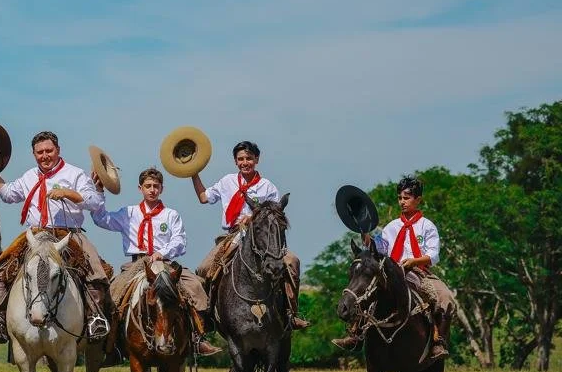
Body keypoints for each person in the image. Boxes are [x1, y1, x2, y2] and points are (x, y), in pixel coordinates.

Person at [0, 130, 110, 343]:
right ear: (34, 154)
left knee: (93, 266)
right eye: (40, 152)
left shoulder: (74, 174)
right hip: (36, 234)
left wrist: (69, 194)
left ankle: (95, 317)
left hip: (67, 234)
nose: (45, 155)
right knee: (2, 267)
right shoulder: (30, 175)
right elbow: (10, 194)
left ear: (58, 150)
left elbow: (95, 202)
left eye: (49, 150)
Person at [91, 167, 221, 355]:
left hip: (165, 263)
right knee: (113, 292)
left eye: (156, 186)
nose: (152, 190)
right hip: (136, 264)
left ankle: (197, 337)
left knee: (194, 286)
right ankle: (113, 342)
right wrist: (99, 191)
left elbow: (179, 241)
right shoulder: (128, 213)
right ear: (140, 188)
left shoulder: (171, 215)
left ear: (162, 189)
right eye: (148, 186)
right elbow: (101, 219)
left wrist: (163, 252)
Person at [332, 175, 456, 360]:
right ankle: (355, 335)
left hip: (419, 272)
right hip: (392, 272)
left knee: (445, 298)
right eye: (400, 198)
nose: (402, 202)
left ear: (418, 200)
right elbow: (380, 247)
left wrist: (414, 262)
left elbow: (433, 255)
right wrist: (366, 236)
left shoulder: (427, 226)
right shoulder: (392, 226)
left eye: (406, 198)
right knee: (367, 293)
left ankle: (439, 343)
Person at [189, 140, 309, 330]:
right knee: (204, 268)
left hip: (262, 238)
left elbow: (276, 213)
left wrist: (252, 217)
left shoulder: (267, 186)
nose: (245, 162)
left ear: (257, 159)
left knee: (292, 262)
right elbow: (204, 197)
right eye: (241, 159)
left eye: (249, 158)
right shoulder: (227, 181)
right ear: (236, 161)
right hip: (233, 236)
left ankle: (291, 312)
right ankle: (208, 317)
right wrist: (193, 173)